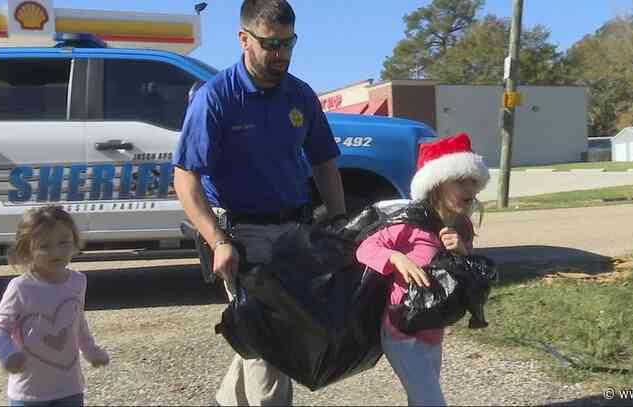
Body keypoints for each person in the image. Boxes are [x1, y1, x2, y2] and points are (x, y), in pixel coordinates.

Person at [172, 0, 346, 405]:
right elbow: (185, 178)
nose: (280, 54)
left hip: (293, 232)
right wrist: (219, 241)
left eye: (288, 44)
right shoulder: (215, 98)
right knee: (270, 335)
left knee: (266, 335)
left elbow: (324, 162)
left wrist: (338, 223)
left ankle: (226, 402)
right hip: (240, 234)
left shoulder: (300, 95)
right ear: (243, 39)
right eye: (270, 45)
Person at [355, 133, 490, 406]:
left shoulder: (461, 227)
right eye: (460, 182)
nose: (469, 190)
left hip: (433, 327)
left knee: (422, 398)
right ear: (437, 185)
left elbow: (467, 274)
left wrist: (463, 251)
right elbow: (365, 249)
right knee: (431, 401)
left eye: (473, 182)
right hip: (401, 329)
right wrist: (396, 258)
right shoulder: (411, 223)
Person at [0, 205, 110, 407]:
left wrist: (91, 350)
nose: (56, 251)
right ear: (26, 249)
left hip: (69, 388)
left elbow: (78, 322)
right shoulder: (21, 287)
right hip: (29, 393)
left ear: (74, 241)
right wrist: (8, 354)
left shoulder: (77, 281)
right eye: (45, 246)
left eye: (64, 242)